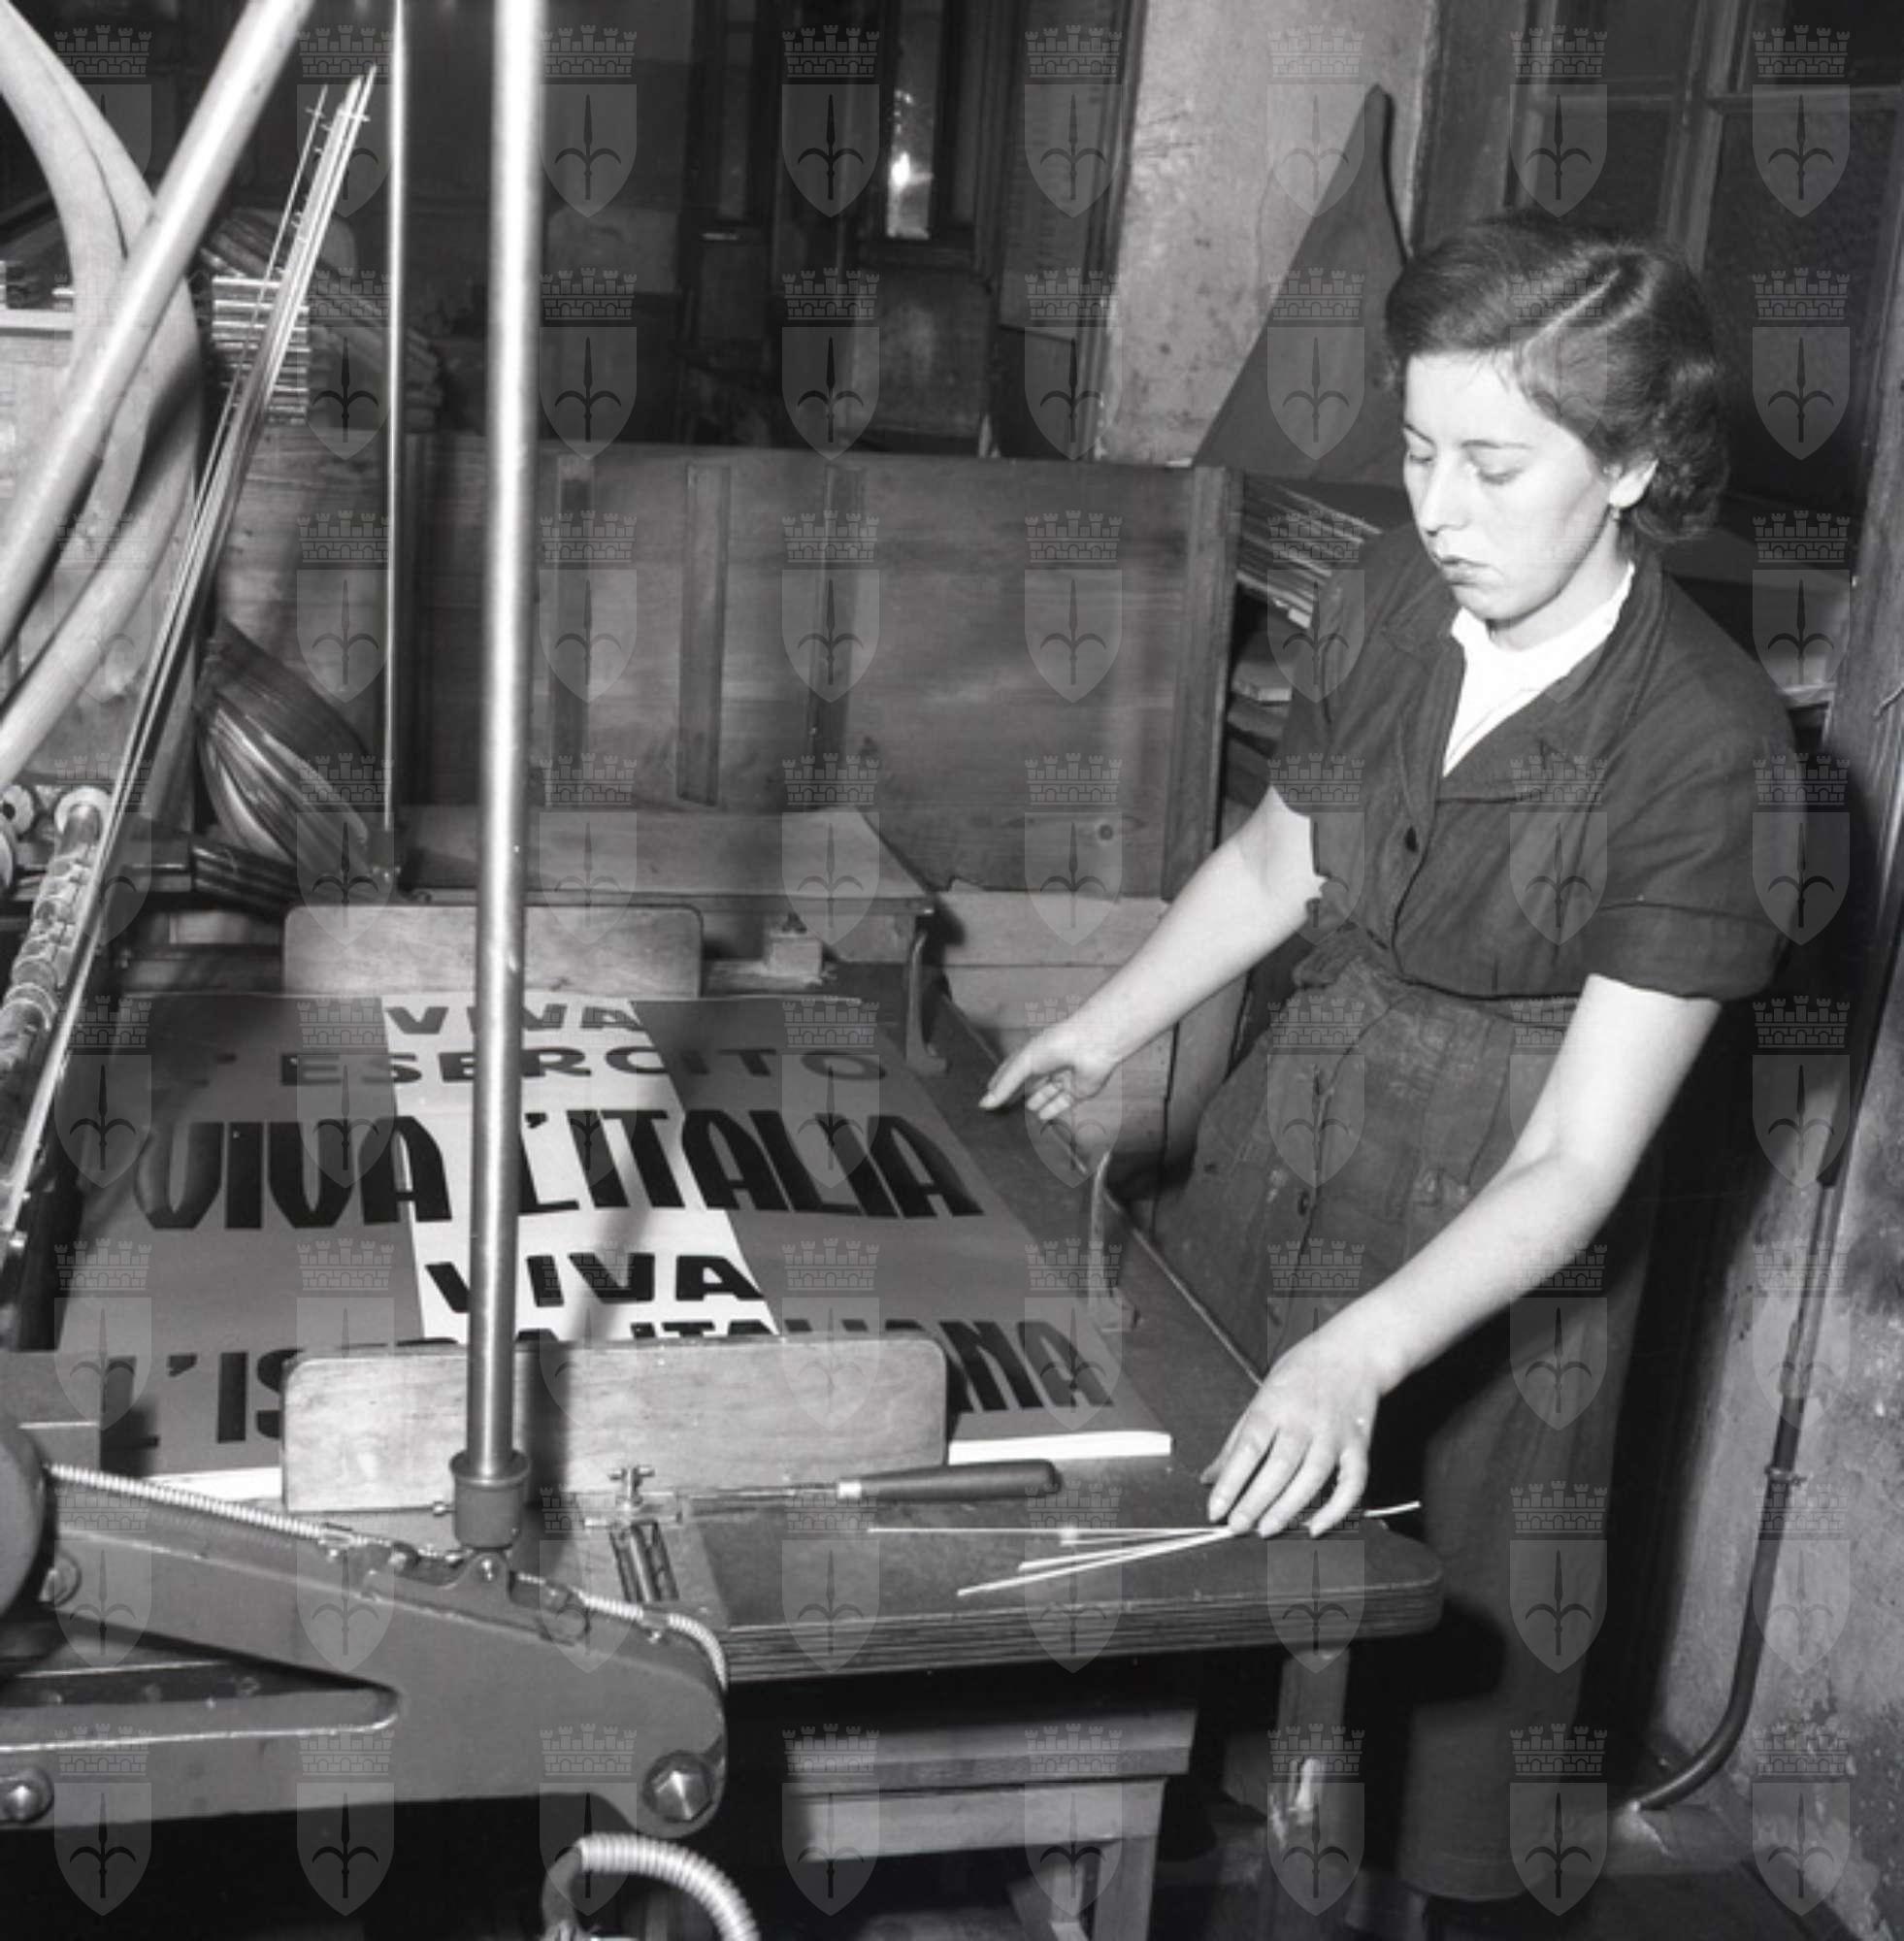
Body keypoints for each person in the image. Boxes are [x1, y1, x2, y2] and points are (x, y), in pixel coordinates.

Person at [980, 210, 1794, 1933]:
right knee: (1199, 1574)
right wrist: (1101, 1025)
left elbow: (1578, 1159)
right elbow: (1282, 862)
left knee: (1432, 1682)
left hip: (1503, 1230)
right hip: (1300, 1125)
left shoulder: (1708, 748)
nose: (1439, 508)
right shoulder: (1385, 599)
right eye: (1418, 451)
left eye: (1493, 467)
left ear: (1631, 466)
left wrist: (1358, 1352)